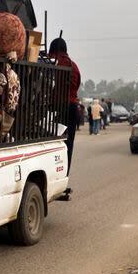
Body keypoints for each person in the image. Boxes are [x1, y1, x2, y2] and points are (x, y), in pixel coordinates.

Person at [49, 38, 81, 174]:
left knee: (52, 145)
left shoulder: (53, 63)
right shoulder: (74, 66)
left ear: (53, 49)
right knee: (68, 145)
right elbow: (77, 84)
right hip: (72, 108)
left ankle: (53, 175)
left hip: (56, 109)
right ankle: (64, 176)